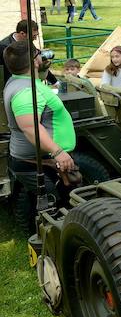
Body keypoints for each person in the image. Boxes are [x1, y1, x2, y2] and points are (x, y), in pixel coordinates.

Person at [3, 40, 77, 203]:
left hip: (44, 159)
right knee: (55, 208)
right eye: (38, 53)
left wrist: (40, 71)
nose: (42, 56)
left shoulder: (20, 80)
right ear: (34, 61)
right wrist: (58, 152)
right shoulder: (26, 92)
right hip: (40, 162)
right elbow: (31, 128)